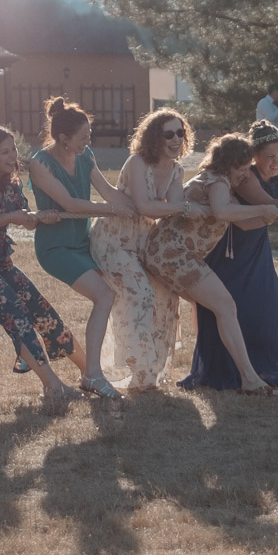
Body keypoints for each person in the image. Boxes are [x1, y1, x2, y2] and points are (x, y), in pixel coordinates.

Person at [143, 133, 278, 394]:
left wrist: (273, 217)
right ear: (228, 165)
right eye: (241, 169)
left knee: (221, 307)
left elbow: (242, 222)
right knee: (226, 306)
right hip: (172, 254)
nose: (245, 174)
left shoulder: (222, 183)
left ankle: (239, 374)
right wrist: (263, 209)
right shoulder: (217, 181)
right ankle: (249, 378)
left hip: (175, 254)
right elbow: (222, 212)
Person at [0, 126, 93, 413]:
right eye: (5, 151)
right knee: (16, 314)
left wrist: (43, 217)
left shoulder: (11, 180)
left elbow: (25, 218)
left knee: (42, 310)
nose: (12, 155)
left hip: (0, 261)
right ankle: (52, 385)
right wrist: (9, 216)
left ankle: (92, 374)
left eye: (14, 149)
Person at [179, 121, 278, 390]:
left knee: (267, 306)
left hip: (257, 248)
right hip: (231, 248)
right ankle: (227, 372)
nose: (277, 162)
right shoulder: (245, 176)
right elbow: (267, 204)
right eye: (270, 156)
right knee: (234, 306)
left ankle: (272, 368)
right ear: (253, 154)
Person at [26, 96, 135, 400]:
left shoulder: (85, 155)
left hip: (83, 243)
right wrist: (114, 211)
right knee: (104, 295)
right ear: (62, 138)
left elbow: (109, 192)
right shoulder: (40, 163)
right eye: (83, 137)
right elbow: (70, 204)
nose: (89, 141)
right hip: (56, 247)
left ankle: (104, 369)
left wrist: (140, 207)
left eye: (90, 135)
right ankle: (93, 376)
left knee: (116, 292)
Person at [93, 108, 192, 391]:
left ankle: (150, 374)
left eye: (180, 133)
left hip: (146, 240)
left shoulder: (177, 170)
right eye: (168, 134)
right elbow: (145, 207)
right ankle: (138, 366)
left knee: (166, 296)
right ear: (154, 137)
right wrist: (183, 207)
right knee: (140, 294)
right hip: (115, 240)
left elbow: (170, 212)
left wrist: (180, 208)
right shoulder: (137, 162)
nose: (176, 139)